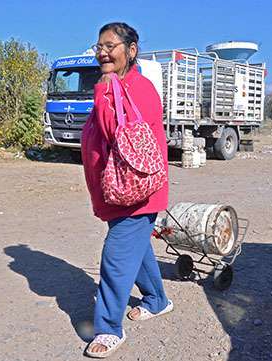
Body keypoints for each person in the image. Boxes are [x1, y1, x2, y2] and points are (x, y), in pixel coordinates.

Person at [80, 22, 173, 358]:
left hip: (137, 193)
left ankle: (107, 329)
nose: (102, 52)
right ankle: (158, 300)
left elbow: (113, 132)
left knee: (116, 258)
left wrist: (103, 90)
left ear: (131, 50)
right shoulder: (116, 85)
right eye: (99, 46)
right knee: (138, 250)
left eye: (110, 45)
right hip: (117, 192)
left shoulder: (138, 88)